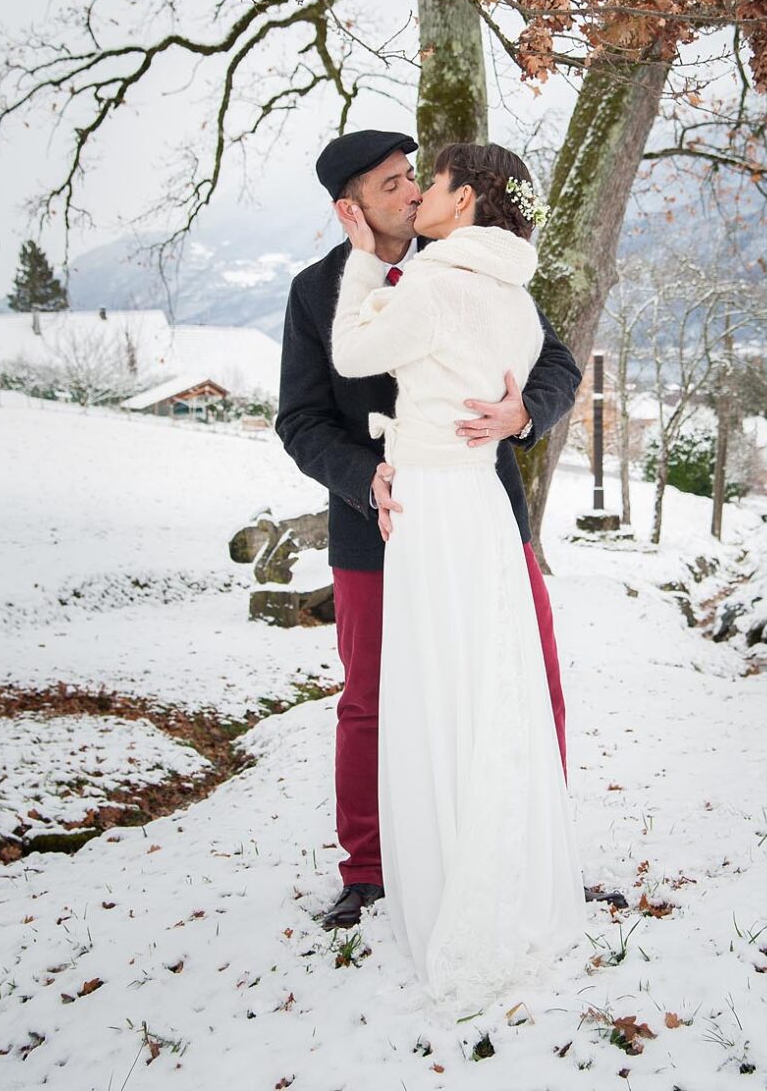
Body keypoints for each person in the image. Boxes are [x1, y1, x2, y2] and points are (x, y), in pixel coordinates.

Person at [275, 129, 581, 938]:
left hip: (485, 512)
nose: (411, 191)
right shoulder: (315, 292)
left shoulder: (471, 260)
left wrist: (523, 413)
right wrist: (362, 476)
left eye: (414, 176)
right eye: (390, 184)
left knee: (526, 676)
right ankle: (370, 868)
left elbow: (558, 363)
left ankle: (531, 848)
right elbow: (300, 418)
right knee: (372, 698)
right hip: (376, 526)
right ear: (349, 207)